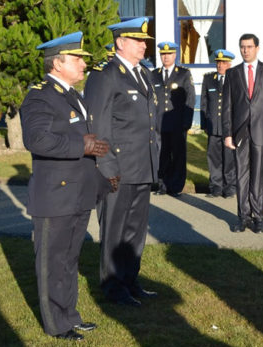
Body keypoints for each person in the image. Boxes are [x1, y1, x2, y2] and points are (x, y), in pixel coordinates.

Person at [20, 31, 110, 340]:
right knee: (52, 262)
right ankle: (56, 325)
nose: (84, 65)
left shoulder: (72, 94)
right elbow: (37, 139)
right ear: (58, 63)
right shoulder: (40, 95)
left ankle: (69, 315)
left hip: (77, 191)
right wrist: (81, 145)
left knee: (70, 259)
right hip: (54, 194)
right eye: (77, 59)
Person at [84, 17, 159, 307]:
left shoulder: (144, 74)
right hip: (117, 169)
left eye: (144, 41)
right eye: (138, 41)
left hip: (142, 166)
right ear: (120, 42)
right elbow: (99, 126)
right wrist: (107, 168)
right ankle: (113, 287)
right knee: (114, 230)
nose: (144, 45)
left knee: (135, 230)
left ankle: (130, 280)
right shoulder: (106, 75)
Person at [222, 33, 263, 234]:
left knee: (258, 175)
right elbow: (228, 107)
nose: (245, 50)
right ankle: (243, 216)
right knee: (241, 175)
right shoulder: (232, 74)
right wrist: (228, 133)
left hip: (261, 131)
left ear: (257, 48)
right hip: (239, 132)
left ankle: (258, 216)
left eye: (249, 46)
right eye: (242, 47)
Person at [152, 42, 196, 197]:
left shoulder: (183, 74)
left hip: (177, 122)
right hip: (160, 122)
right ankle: (162, 184)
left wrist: (186, 122)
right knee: (161, 154)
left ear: (175, 55)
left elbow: (190, 99)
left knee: (177, 154)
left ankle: (176, 186)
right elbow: (151, 99)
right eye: (163, 54)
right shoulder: (154, 74)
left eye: (169, 54)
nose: (166, 57)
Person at [200, 49, 237, 198]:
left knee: (229, 159)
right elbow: (204, 103)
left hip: (230, 128)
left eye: (223, 63)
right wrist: (205, 124)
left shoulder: (235, 79)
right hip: (213, 126)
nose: (220, 65)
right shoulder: (209, 79)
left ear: (229, 64)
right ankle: (216, 186)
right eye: (218, 62)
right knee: (214, 159)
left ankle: (230, 187)